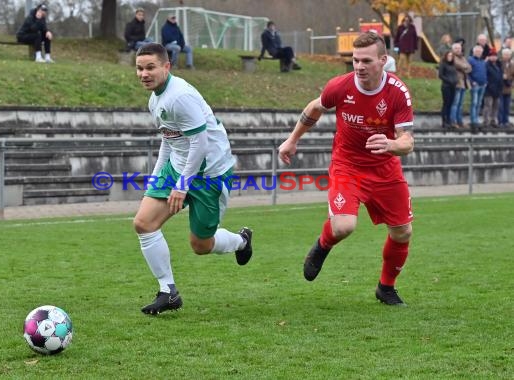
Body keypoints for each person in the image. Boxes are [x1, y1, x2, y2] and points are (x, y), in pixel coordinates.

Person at [278, 32, 414, 306]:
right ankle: (323, 245)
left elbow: (407, 142)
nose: (359, 66)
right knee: (343, 226)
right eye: (355, 60)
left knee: (403, 232)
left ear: (383, 61)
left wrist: (390, 144)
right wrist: (292, 140)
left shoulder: (398, 92)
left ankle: (385, 288)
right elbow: (315, 108)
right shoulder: (340, 87)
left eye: (366, 60)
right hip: (347, 166)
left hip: (385, 169)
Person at [133, 43, 253, 315]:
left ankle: (242, 241)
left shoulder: (179, 97)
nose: (144, 73)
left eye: (150, 67)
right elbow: (169, 139)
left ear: (167, 66)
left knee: (201, 245)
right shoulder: (155, 99)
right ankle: (168, 292)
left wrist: (182, 185)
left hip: (210, 172)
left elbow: (199, 144)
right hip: (180, 166)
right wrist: (156, 179)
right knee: (143, 223)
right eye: (139, 68)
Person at [449, 42, 472, 129]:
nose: (458, 50)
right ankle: (453, 121)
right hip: (457, 84)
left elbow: (470, 68)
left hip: (464, 84)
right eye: (456, 48)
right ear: (453, 49)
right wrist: (465, 67)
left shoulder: (462, 57)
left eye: (459, 48)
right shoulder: (452, 57)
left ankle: (460, 121)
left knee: (460, 104)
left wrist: (464, 67)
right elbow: (458, 65)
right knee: (455, 103)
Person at [482, 48, 503, 128]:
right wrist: (488, 85)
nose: (493, 57)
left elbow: (500, 76)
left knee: (496, 106)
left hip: (498, 89)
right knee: (488, 106)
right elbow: (485, 76)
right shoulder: (486, 65)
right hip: (489, 89)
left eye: (495, 56)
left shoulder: (498, 65)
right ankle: (486, 121)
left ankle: (493, 120)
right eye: (492, 56)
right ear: (489, 57)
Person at [468, 45, 488, 130]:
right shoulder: (470, 60)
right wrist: (472, 82)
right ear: (473, 52)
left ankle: (476, 119)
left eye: (480, 52)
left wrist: (486, 82)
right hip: (475, 85)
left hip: (483, 85)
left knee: (479, 104)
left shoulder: (483, 61)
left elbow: (485, 72)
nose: (478, 53)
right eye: (477, 51)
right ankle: (473, 121)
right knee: (474, 103)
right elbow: (468, 73)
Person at [393, 13, 418, 78]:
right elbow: (397, 37)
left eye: (408, 20)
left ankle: (407, 74)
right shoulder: (400, 27)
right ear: (403, 20)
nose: (406, 21)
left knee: (409, 62)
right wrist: (396, 46)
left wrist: (415, 47)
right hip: (402, 47)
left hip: (410, 47)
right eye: (405, 20)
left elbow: (415, 37)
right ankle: (399, 74)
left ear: (410, 20)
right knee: (401, 60)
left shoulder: (412, 27)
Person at [438, 50, 458, 129]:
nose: (450, 57)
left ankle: (449, 120)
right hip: (446, 86)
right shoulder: (443, 64)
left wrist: (455, 81)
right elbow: (441, 75)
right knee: (446, 103)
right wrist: (449, 80)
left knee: (451, 103)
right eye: (449, 56)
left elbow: (455, 74)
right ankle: (444, 121)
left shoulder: (453, 65)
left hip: (453, 86)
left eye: (451, 56)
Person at [499, 48, 514, 128]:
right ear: (502, 55)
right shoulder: (499, 63)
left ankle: (506, 121)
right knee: (501, 106)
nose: (507, 56)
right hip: (501, 88)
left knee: (507, 106)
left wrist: (510, 81)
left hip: (508, 88)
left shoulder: (512, 64)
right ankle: (500, 121)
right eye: (505, 54)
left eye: (508, 54)